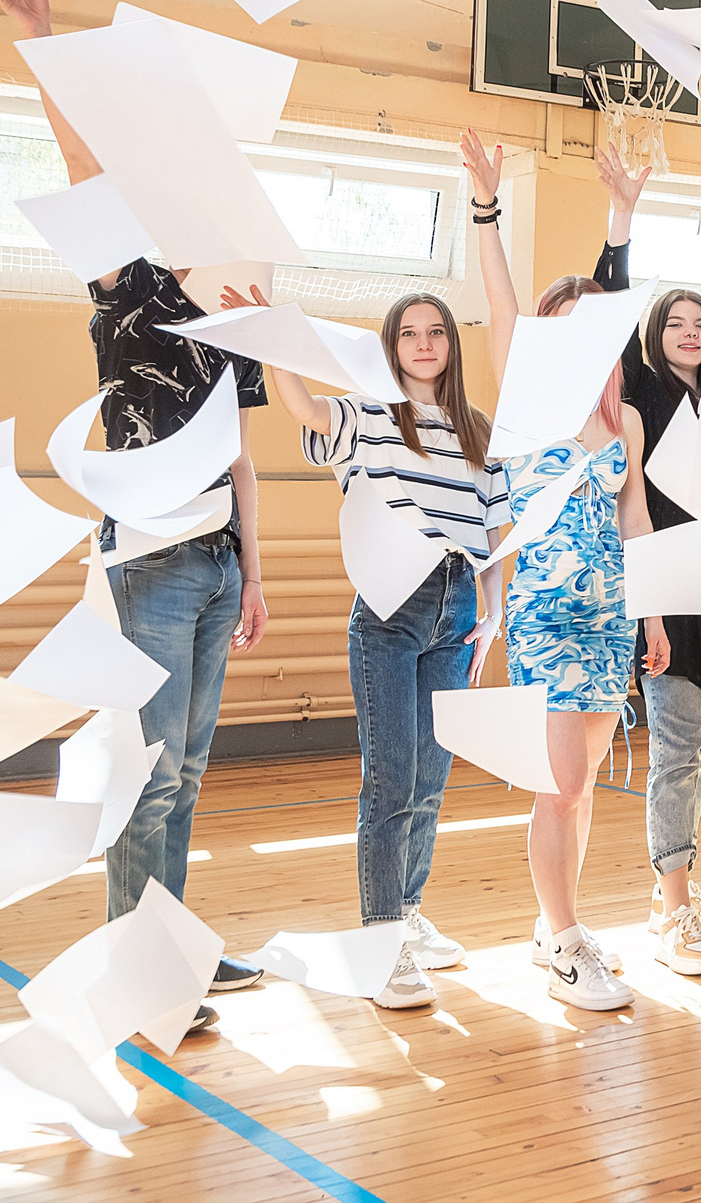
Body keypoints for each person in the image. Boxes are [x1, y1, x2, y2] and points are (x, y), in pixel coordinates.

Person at [0, 0, 270, 1038]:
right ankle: (137, 966)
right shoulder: (129, 288)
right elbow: (78, 164)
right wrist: (41, 38)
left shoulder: (236, 308)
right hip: (147, 559)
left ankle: (169, 946)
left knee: (184, 772)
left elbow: (241, 455)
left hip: (213, 562)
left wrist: (253, 571)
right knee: (148, 774)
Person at [228, 286, 505, 1011]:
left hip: (456, 608)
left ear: (451, 344)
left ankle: (408, 911)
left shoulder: (478, 429)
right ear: (392, 346)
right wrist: (279, 339)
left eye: (436, 331)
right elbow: (305, 409)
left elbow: (489, 531)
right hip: (388, 609)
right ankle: (381, 940)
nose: (423, 343)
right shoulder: (370, 414)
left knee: (431, 775)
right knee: (390, 780)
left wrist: (494, 610)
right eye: (409, 333)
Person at [458, 134, 672, 1006]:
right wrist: (486, 204)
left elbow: (635, 517)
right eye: (564, 323)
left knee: (580, 793)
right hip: (545, 614)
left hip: (611, 618)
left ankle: (557, 927)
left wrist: (654, 614)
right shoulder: (526, 405)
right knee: (563, 783)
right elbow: (501, 303)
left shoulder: (624, 422)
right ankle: (567, 940)